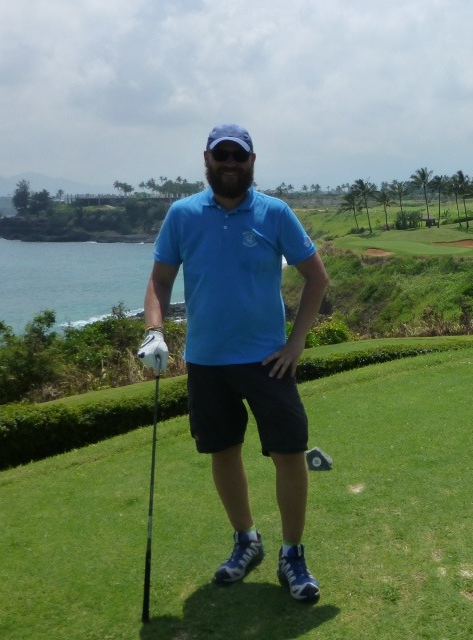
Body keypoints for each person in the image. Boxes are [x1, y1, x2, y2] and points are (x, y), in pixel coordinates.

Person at [137, 123, 329, 603]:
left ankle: (292, 554)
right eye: (220, 155)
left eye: (237, 156)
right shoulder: (183, 214)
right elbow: (160, 281)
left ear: (251, 161)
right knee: (223, 451)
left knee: (289, 453)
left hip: (268, 360)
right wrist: (155, 331)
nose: (229, 163)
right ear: (206, 159)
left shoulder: (274, 213)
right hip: (206, 360)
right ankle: (247, 540)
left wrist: (296, 344)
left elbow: (316, 277)